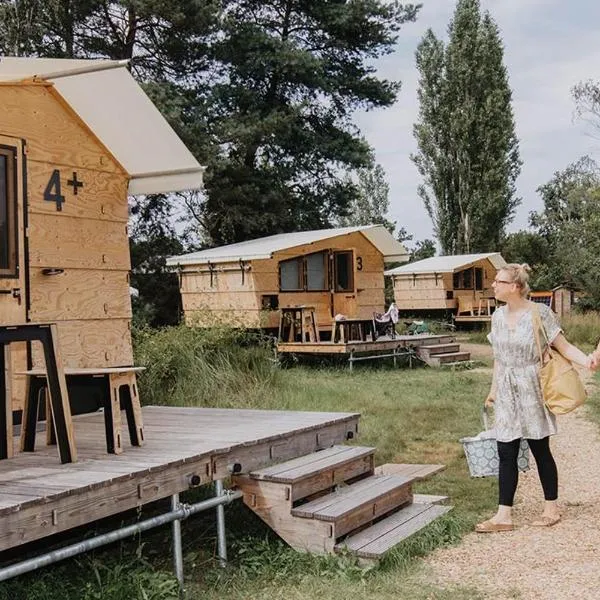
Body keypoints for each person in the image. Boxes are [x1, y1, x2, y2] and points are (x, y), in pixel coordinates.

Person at [476, 263, 592, 533]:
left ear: (515, 287)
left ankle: (551, 507)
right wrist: (493, 390)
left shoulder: (540, 314)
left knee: (540, 449)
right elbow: (498, 359)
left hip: (532, 386)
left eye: (499, 282)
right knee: (505, 451)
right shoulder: (497, 316)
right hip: (506, 390)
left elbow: (562, 346)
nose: (493, 285)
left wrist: (587, 361)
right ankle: (504, 515)